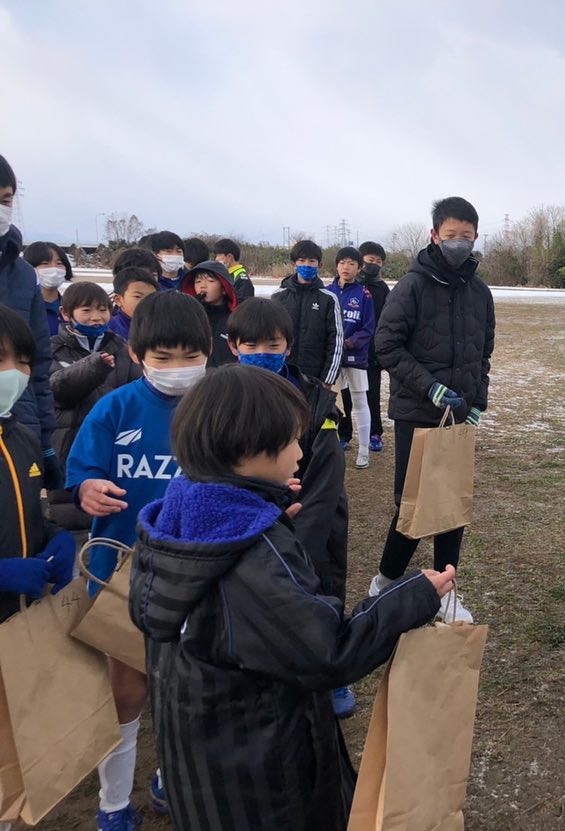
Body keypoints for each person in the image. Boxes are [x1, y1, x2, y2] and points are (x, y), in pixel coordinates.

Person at [129, 364, 454, 831]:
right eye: (290, 442)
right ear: (247, 451)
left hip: (202, 773)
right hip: (267, 787)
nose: (301, 452)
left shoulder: (176, 519)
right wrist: (410, 596)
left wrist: (265, 508)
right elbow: (328, 651)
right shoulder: (252, 556)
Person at [66, 291, 210, 829]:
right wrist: (88, 489)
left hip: (199, 572)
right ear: (136, 353)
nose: (178, 368)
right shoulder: (115, 408)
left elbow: (250, 469)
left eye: (190, 356)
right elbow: (82, 474)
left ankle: (171, 779)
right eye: (163, 357)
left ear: (210, 352)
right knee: (125, 691)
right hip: (122, 572)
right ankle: (113, 803)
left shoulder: (219, 406)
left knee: (186, 687)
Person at [226, 297, 353, 718]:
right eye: (251, 346)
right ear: (233, 346)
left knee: (319, 591)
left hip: (313, 520)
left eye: (273, 345)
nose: (262, 354)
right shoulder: (221, 397)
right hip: (247, 522)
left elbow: (326, 477)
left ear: (289, 347)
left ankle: (331, 674)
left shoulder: (316, 401)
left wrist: (297, 541)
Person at [370, 196, 495, 625]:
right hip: (417, 412)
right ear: (435, 235)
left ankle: (445, 590)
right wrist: (431, 387)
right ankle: (385, 581)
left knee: (452, 505)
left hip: (459, 414)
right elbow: (386, 345)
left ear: (475, 237)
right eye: (450, 235)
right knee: (414, 504)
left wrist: (477, 402)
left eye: (466, 236)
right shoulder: (413, 285)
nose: (458, 242)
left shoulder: (480, 293)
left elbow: (483, 354)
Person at [0, 305, 75, 624]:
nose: (13, 372)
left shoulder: (25, 440)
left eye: (23, 362)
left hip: (21, 623)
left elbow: (27, 515)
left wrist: (55, 536)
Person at [49, 282, 141, 531]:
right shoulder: (54, 348)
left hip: (115, 441)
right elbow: (58, 390)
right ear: (66, 313)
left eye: (102, 310)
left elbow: (135, 390)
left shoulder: (121, 347)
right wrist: (94, 366)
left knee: (114, 503)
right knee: (70, 508)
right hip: (69, 440)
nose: (96, 317)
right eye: (86, 310)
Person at [0, 153, 62, 490]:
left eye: (5, 200)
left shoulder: (24, 276)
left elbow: (38, 363)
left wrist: (45, 439)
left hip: (18, 428)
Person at [326, 247, 376, 467]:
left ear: (359, 268)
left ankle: (364, 450)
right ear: (336, 266)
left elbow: (368, 328)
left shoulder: (364, 295)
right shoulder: (327, 292)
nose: (346, 267)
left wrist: (349, 343)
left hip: (355, 357)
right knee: (331, 403)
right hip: (332, 358)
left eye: (351, 263)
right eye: (342, 263)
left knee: (359, 401)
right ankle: (330, 450)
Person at [273, 239, 344, 386]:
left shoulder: (329, 299)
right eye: (302, 260)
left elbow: (336, 341)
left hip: (315, 378)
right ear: (294, 264)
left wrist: (328, 379)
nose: (307, 265)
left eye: (312, 261)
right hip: (282, 375)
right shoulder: (278, 296)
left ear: (319, 265)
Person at [346, 240, 390, 451]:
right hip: (346, 351)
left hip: (371, 353)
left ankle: (375, 433)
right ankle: (344, 433)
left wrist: (382, 351)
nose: (374, 264)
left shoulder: (383, 289)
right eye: (371, 259)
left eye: (379, 261)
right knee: (345, 396)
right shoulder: (348, 286)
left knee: (372, 395)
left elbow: (388, 321)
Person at [181, 259, 239, 366]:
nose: (202, 286)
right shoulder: (188, 318)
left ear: (224, 288)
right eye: (198, 281)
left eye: (210, 281)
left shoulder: (236, 319)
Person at [25, 241, 73, 336]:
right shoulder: (23, 308)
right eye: (45, 263)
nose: (54, 268)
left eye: (59, 263)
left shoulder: (73, 306)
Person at [108, 266, 158, 341]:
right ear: (118, 300)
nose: (146, 302)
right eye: (137, 296)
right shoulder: (109, 331)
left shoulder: (161, 327)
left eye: (152, 296)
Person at [212, 237, 254, 302]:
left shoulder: (241, 279)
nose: (216, 259)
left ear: (229, 257)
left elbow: (243, 304)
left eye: (218, 255)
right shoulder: (224, 273)